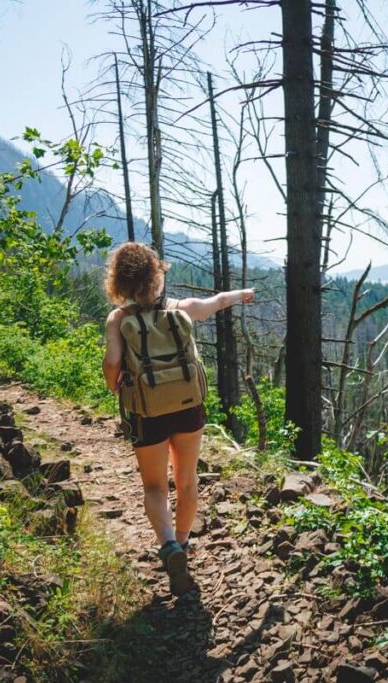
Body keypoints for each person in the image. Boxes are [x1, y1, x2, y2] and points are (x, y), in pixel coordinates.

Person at [101, 242, 254, 596]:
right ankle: (182, 546)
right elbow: (215, 302)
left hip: (147, 411)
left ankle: (168, 545)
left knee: (155, 487)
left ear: (119, 283)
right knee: (186, 482)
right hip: (188, 407)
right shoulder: (179, 309)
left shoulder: (119, 320)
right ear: (156, 275)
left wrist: (116, 388)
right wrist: (242, 294)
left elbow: (112, 363)